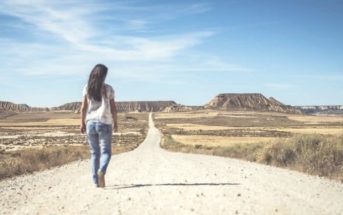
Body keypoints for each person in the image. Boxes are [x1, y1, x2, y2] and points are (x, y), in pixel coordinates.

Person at [80, 64, 118, 188]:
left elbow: (83, 108)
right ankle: (102, 170)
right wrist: (115, 122)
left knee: (95, 153)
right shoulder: (108, 89)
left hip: (90, 123)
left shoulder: (87, 88)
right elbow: (113, 109)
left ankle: (96, 181)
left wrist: (82, 123)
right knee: (106, 152)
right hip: (104, 122)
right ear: (103, 75)